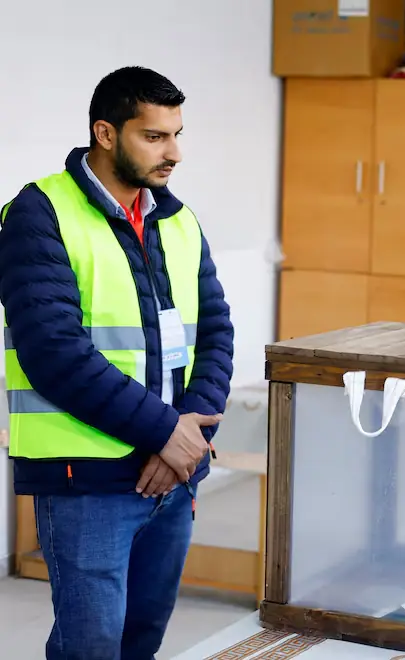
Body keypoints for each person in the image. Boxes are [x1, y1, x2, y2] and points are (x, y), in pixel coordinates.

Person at [0, 66, 234, 659]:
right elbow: (54, 350)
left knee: (141, 640)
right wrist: (166, 433)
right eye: (154, 136)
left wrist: (191, 426)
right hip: (89, 479)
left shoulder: (178, 219)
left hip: (173, 477)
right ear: (105, 134)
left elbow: (216, 331)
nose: (174, 152)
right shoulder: (37, 212)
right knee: (92, 646)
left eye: (177, 134)